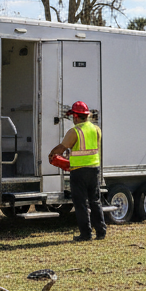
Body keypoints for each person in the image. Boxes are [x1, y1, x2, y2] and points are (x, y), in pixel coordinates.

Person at [48, 100, 105, 242]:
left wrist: (51, 154)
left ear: (75, 116)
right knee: (95, 201)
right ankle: (101, 232)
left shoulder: (75, 131)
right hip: (94, 169)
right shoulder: (96, 129)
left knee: (81, 204)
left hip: (79, 172)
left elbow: (61, 148)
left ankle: (86, 234)